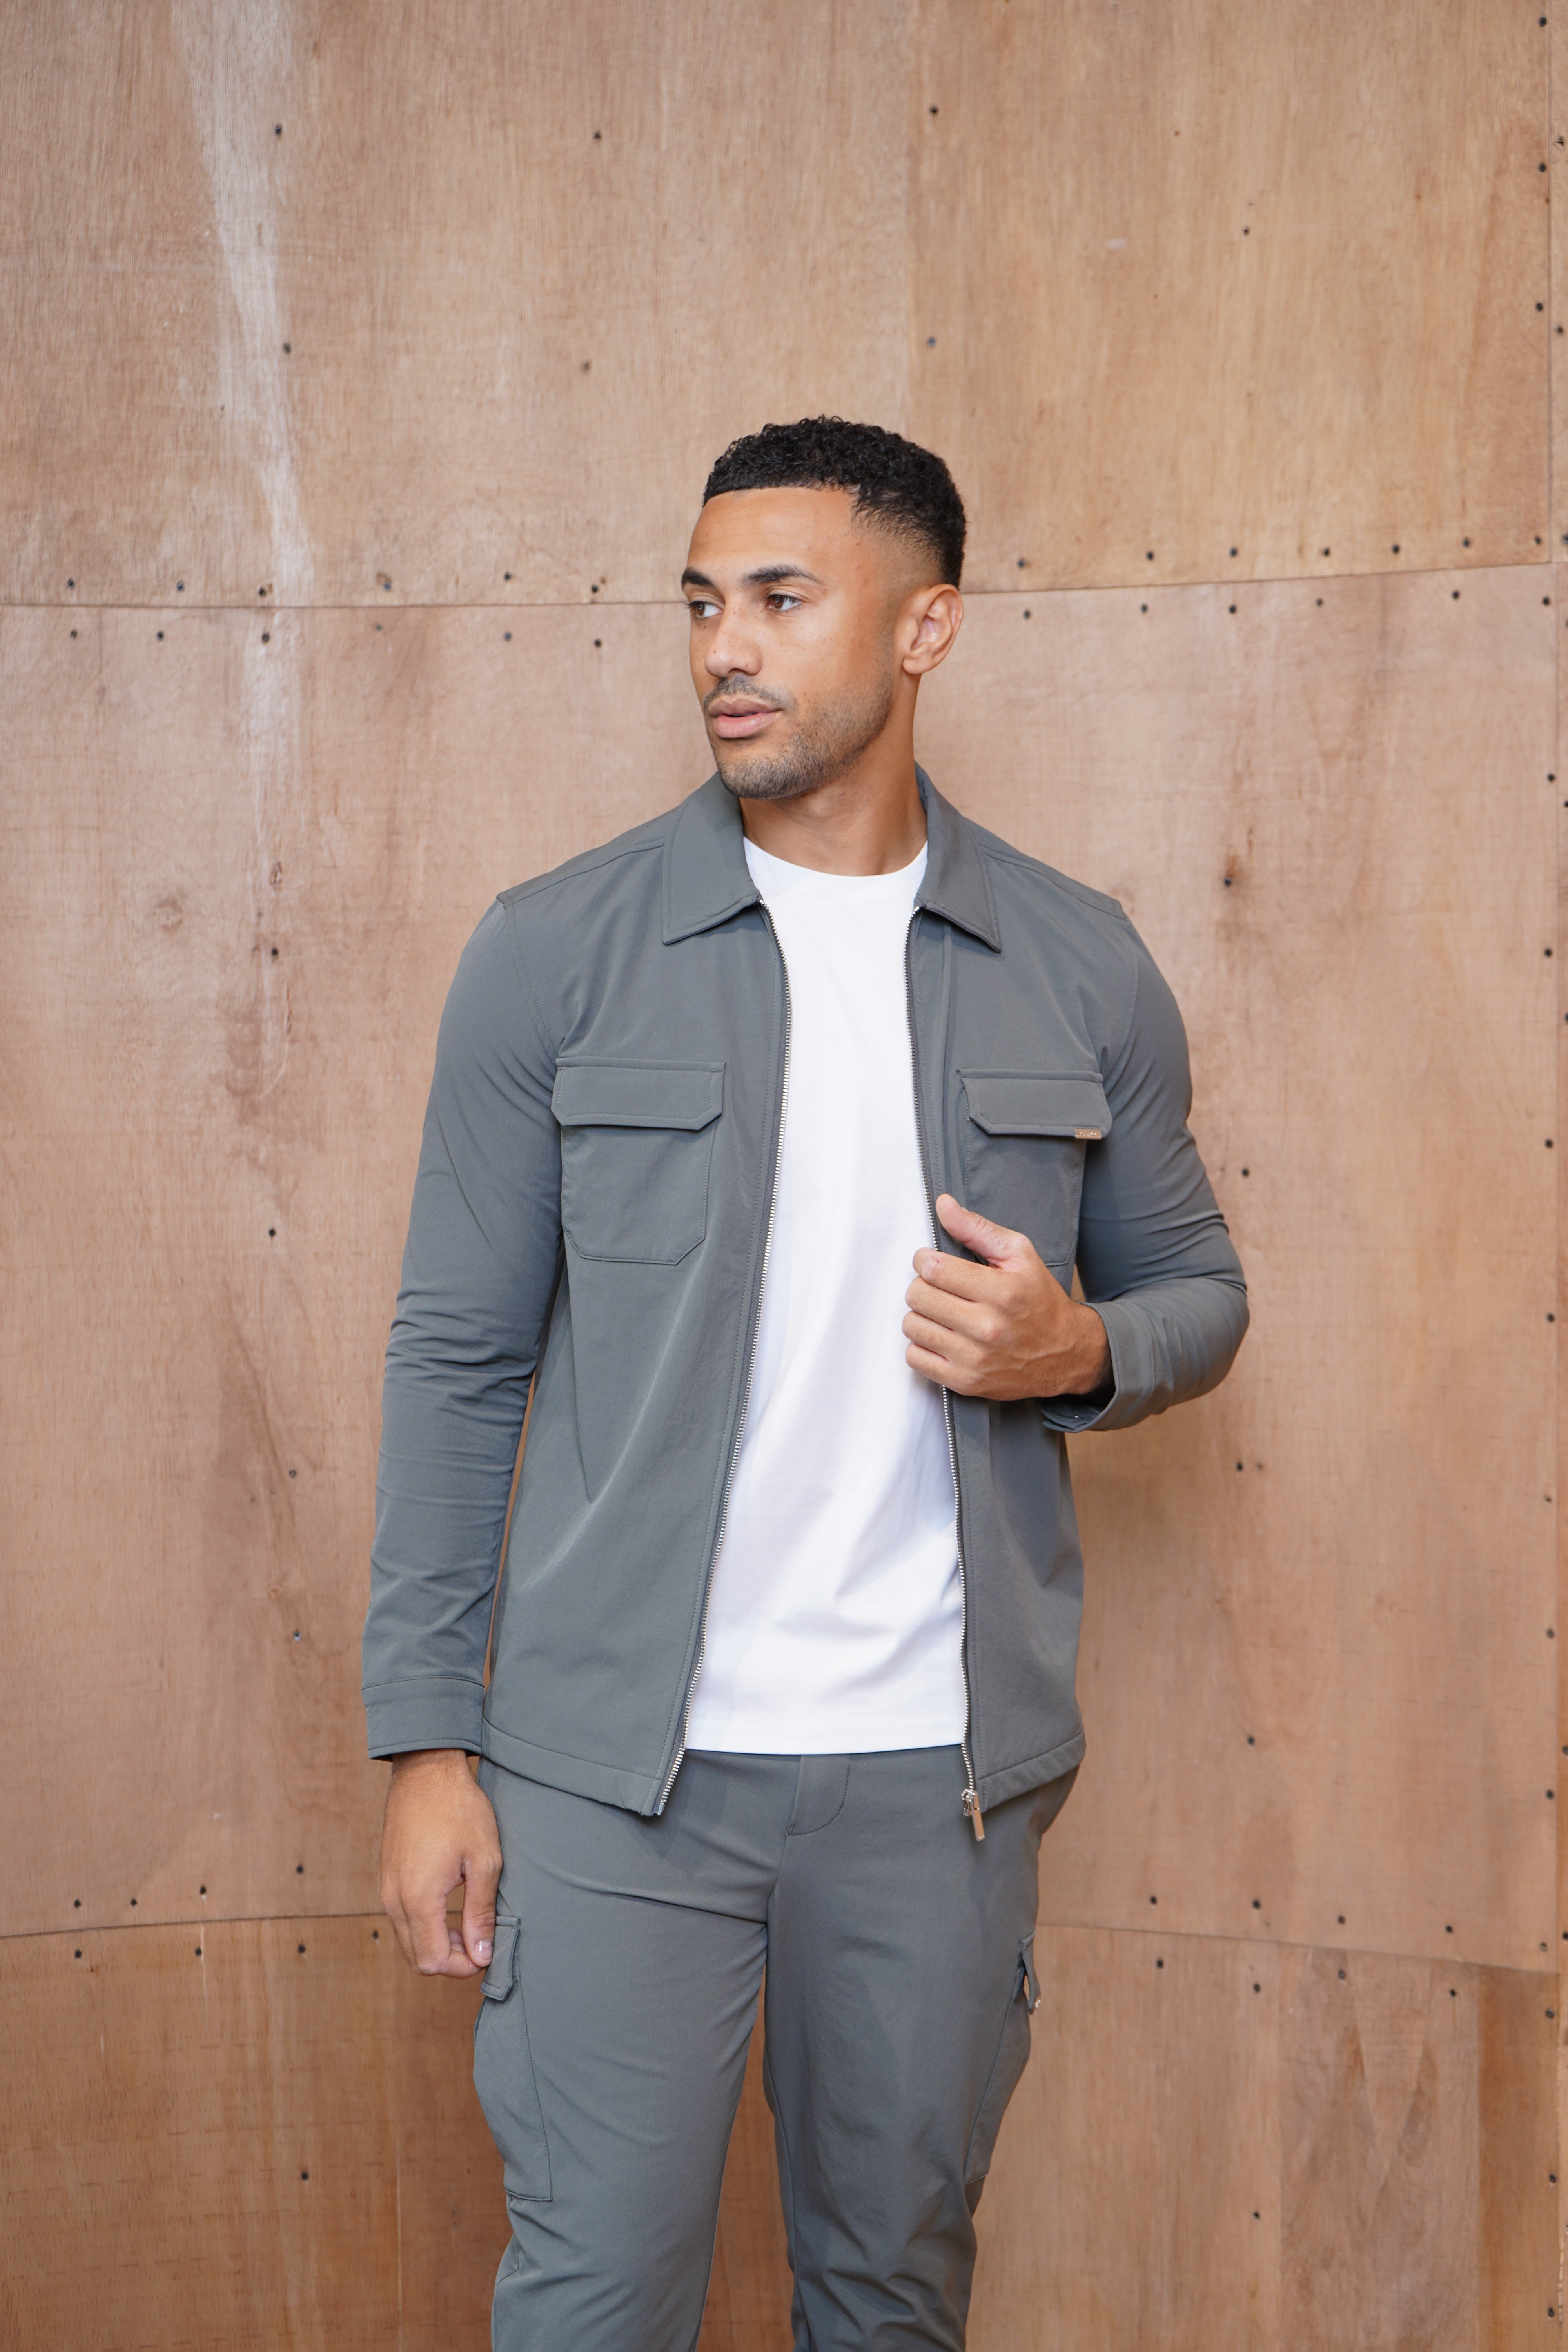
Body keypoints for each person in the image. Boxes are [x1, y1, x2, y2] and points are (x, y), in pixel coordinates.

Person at [364, 416, 1248, 2350]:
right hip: (612, 1781)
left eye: (779, 599)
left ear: (926, 628)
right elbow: (454, 1361)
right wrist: (426, 1744)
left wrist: (1082, 1350)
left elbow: (1199, 1291)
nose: (724, 650)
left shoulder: (1077, 961)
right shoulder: (555, 953)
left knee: (890, 2296)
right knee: (594, 2304)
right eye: (702, 604)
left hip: (940, 1781)